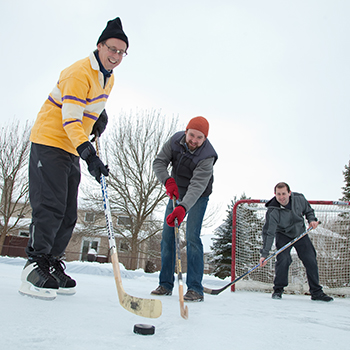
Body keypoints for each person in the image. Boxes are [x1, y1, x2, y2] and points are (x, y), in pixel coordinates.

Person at [19, 17, 129, 300]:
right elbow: (70, 119)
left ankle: (52, 263)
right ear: (100, 45)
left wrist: (97, 119)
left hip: (70, 147)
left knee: (68, 212)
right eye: (112, 49)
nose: (116, 56)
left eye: (121, 52)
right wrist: (89, 155)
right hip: (51, 141)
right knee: (50, 205)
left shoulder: (109, 77)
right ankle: (34, 265)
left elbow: (87, 108)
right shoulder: (79, 72)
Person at [151, 116, 218, 302]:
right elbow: (159, 162)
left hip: (198, 195)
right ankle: (165, 284)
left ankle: (195, 288)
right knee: (167, 235)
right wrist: (168, 181)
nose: (194, 140)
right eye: (191, 135)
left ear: (205, 138)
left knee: (192, 238)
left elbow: (197, 186)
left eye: (199, 137)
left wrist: (183, 208)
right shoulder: (174, 141)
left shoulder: (208, 156)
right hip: (176, 191)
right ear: (186, 131)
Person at [259, 182, 333, 302]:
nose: (281, 197)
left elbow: (309, 211)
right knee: (284, 259)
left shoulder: (299, 199)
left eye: (284, 193)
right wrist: (264, 255)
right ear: (275, 194)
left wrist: (312, 220)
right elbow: (269, 233)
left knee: (310, 259)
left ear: (289, 193)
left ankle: (316, 292)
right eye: (278, 194)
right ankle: (278, 290)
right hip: (283, 235)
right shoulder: (272, 211)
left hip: (300, 234)